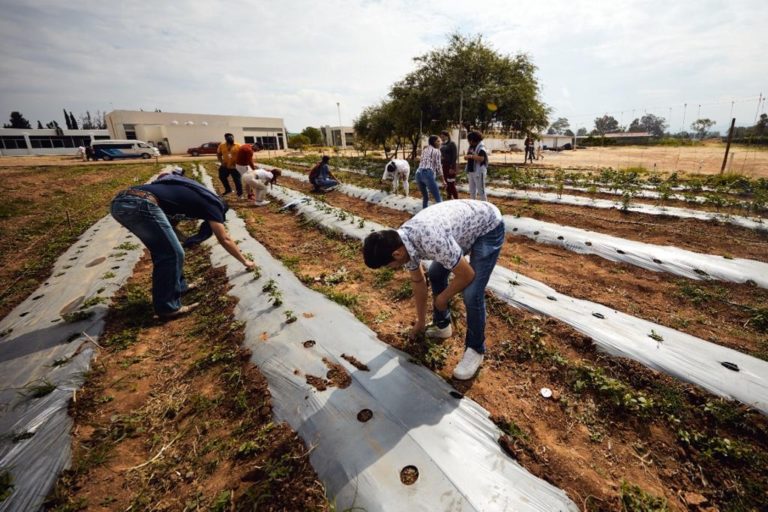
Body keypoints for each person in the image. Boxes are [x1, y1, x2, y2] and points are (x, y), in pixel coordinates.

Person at [362, 200, 505, 380]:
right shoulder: (404, 243)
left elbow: (467, 275)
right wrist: (420, 322)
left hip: (487, 226)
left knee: (471, 293)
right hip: (461, 230)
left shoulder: (430, 239)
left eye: (389, 265)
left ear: (396, 254)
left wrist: (443, 298)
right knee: (436, 273)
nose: (392, 268)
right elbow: (418, 281)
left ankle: (476, 349)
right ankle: (442, 325)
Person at [110, 171, 255, 319]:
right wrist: (245, 261)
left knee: (164, 250)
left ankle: (180, 286)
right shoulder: (214, 205)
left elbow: (171, 226)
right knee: (171, 253)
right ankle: (167, 308)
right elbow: (224, 239)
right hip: (140, 203)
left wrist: (184, 238)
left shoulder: (191, 200)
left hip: (120, 203)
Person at [415, 135, 444, 208]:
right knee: (438, 198)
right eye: (438, 141)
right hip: (427, 173)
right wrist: (443, 181)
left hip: (418, 173)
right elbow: (438, 166)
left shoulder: (425, 150)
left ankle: (424, 215)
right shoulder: (437, 151)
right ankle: (443, 216)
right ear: (434, 142)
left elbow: (421, 160)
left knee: (425, 197)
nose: (440, 142)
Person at [464, 131, 489, 201]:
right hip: (471, 170)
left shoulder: (481, 148)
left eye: (469, 140)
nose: (468, 142)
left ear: (473, 140)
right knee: (472, 191)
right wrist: (467, 157)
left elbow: (481, 158)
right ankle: (473, 206)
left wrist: (471, 156)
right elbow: (469, 155)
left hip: (479, 172)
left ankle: (485, 206)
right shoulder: (471, 146)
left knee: (481, 191)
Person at [217, 133, 243, 198]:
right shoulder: (222, 145)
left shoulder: (238, 145)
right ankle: (228, 190)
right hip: (225, 165)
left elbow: (243, 155)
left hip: (235, 166)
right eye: (228, 138)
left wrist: (239, 163)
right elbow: (218, 154)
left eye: (231, 138)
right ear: (225, 139)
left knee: (237, 180)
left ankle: (240, 194)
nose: (230, 139)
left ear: (233, 138)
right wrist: (221, 161)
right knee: (222, 177)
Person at [440, 130, 459, 200]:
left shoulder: (452, 144)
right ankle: (449, 198)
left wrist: (452, 167)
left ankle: (456, 199)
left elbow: (454, 156)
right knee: (446, 183)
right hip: (444, 166)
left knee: (451, 184)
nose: (442, 138)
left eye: (443, 136)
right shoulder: (442, 145)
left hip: (451, 166)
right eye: (441, 137)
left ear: (447, 136)